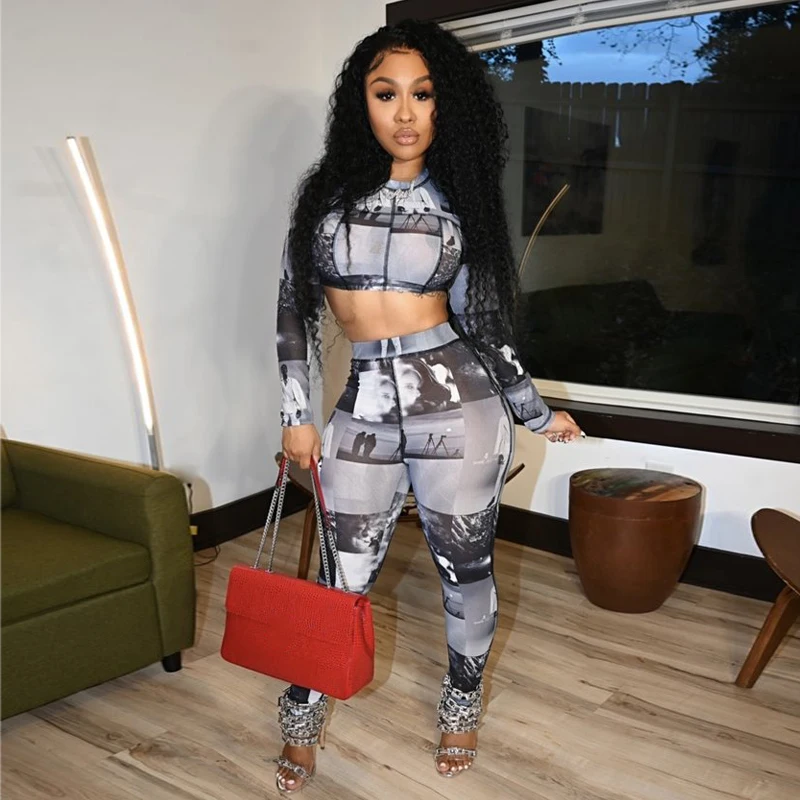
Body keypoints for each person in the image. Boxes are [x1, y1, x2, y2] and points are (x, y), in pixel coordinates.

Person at [274, 19, 583, 793]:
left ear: (447, 106)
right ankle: (301, 718)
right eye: (387, 94)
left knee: (463, 570)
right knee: (341, 576)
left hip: (460, 406)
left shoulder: (461, 200)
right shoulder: (323, 199)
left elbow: (484, 323)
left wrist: (535, 411)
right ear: (362, 104)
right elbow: (292, 310)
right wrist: (296, 413)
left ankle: (461, 705)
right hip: (363, 408)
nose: (406, 113)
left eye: (423, 94)